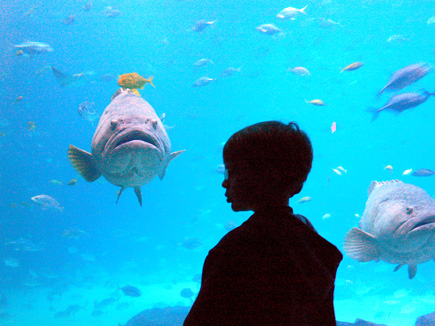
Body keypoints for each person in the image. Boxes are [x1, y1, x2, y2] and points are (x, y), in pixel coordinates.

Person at [183, 121, 343, 325]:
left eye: (231, 171)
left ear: (269, 176)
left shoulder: (235, 249)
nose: (225, 181)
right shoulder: (312, 243)